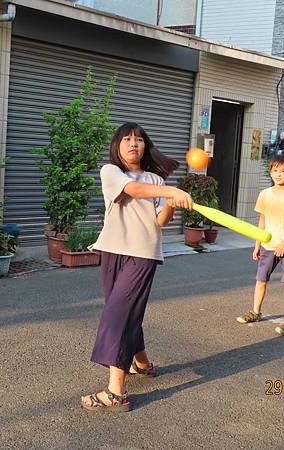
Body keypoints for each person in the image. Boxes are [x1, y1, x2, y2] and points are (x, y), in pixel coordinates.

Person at [81, 122, 193, 412]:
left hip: (143, 253)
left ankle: (115, 392)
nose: (134, 144)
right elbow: (132, 190)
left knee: (117, 314)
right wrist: (171, 191)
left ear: (146, 145)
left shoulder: (155, 180)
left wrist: (171, 202)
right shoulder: (111, 172)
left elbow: (160, 221)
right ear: (117, 146)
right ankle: (141, 363)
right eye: (128, 139)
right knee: (123, 311)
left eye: (140, 139)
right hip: (112, 250)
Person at [236, 155, 284, 336]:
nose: (278, 174)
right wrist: (257, 244)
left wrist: (283, 244)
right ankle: (256, 312)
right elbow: (262, 220)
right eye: (275, 171)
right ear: (270, 172)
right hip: (268, 243)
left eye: (283, 171)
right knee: (261, 279)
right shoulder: (264, 195)